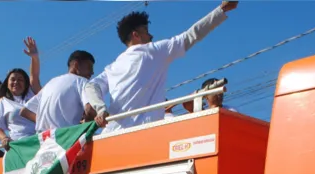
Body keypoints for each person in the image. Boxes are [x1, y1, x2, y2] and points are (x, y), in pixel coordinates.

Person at [84, 1, 238, 133]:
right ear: (136, 35)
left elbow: (91, 86)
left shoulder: (113, 67)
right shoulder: (153, 51)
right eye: (146, 32)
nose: (151, 36)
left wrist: (101, 109)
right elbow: (191, 35)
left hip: (112, 135)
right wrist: (221, 10)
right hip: (144, 135)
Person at [21, 50, 97, 133]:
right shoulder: (82, 82)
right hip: (65, 139)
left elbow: (25, 111)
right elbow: (90, 109)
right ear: (76, 65)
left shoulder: (51, 82)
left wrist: (47, 124)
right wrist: (84, 127)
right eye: (89, 67)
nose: (92, 72)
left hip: (43, 139)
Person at [0, 38, 45, 149]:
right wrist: (4, 138)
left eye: (20, 79)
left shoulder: (33, 93)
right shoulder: (2, 102)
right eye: (13, 79)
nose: (16, 82)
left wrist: (34, 57)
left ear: (26, 83)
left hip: (40, 141)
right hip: (17, 145)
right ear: (7, 83)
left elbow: (34, 76)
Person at [165, 77, 238, 116]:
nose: (220, 94)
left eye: (220, 91)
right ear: (206, 96)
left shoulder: (229, 109)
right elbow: (187, 104)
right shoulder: (202, 111)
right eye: (216, 91)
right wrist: (197, 94)